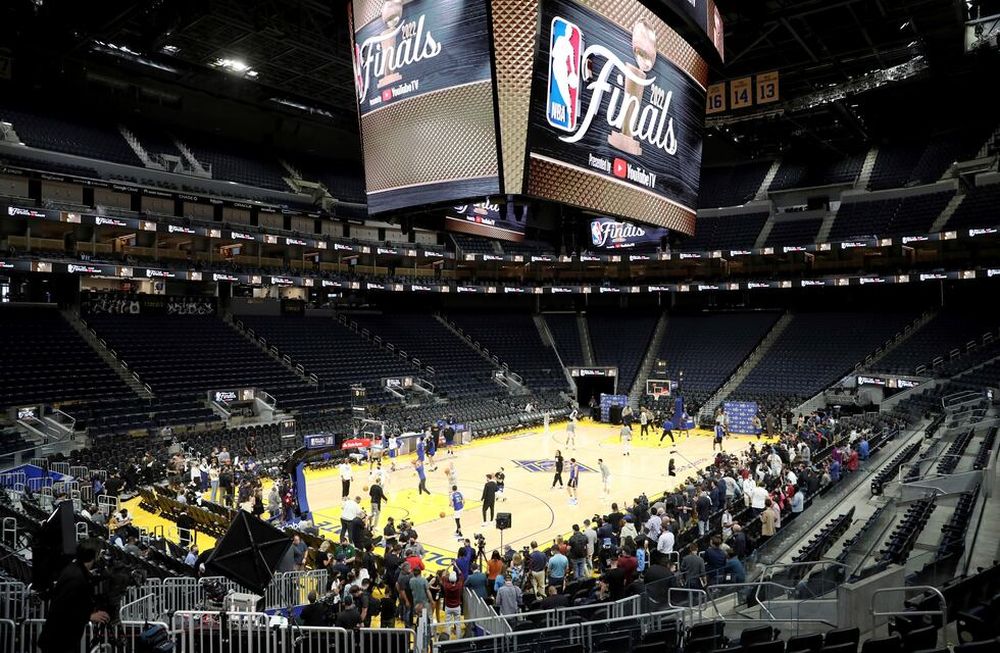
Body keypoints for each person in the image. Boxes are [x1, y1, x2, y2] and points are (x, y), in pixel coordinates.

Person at [38, 539, 110, 653]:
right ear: (94, 555)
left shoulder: (78, 571)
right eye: (100, 554)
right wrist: (89, 616)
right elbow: (63, 608)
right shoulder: (75, 577)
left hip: (65, 639)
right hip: (59, 640)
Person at [442, 569, 465, 638]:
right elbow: (461, 575)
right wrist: (456, 565)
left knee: (448, 624)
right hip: (457, 607)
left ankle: (447, 639)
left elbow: (443, 576)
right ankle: (458, 639)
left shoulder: (446, 586)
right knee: (458, 624)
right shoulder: (458, 586)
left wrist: (449, 566)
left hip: (448, 607)